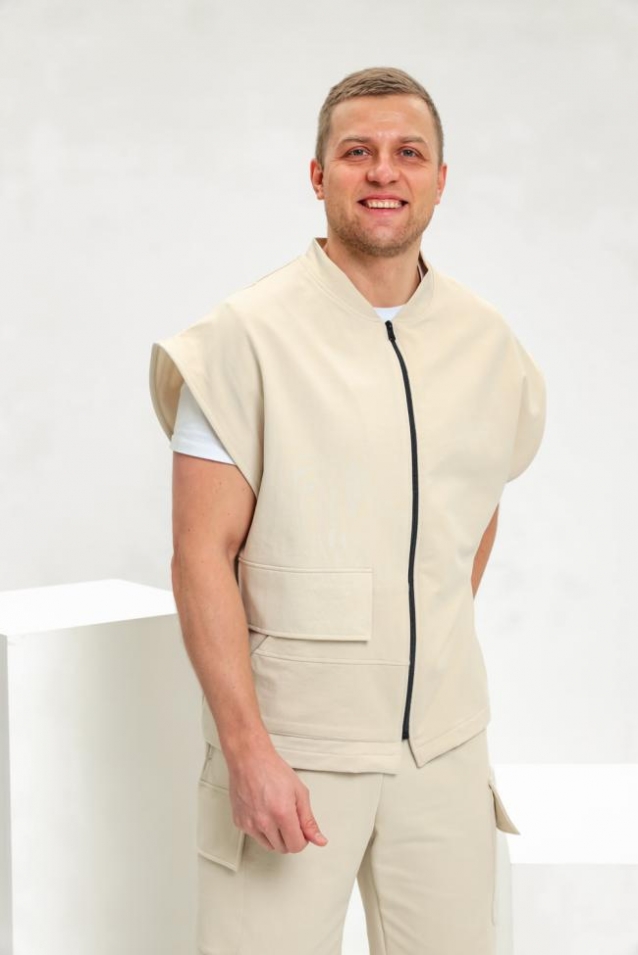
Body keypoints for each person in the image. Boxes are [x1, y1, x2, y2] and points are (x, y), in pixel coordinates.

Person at [149, 66, 546, 955]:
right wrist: (247, 748)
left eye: (409, 152)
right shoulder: (242, 338)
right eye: (358, 151)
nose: (384, 172)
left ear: (441, 178)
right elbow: (199, 554)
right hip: (293, 745)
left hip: (443, 750)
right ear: (318, 174)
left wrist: (424, 637)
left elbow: (476, 508)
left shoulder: (488, 343)